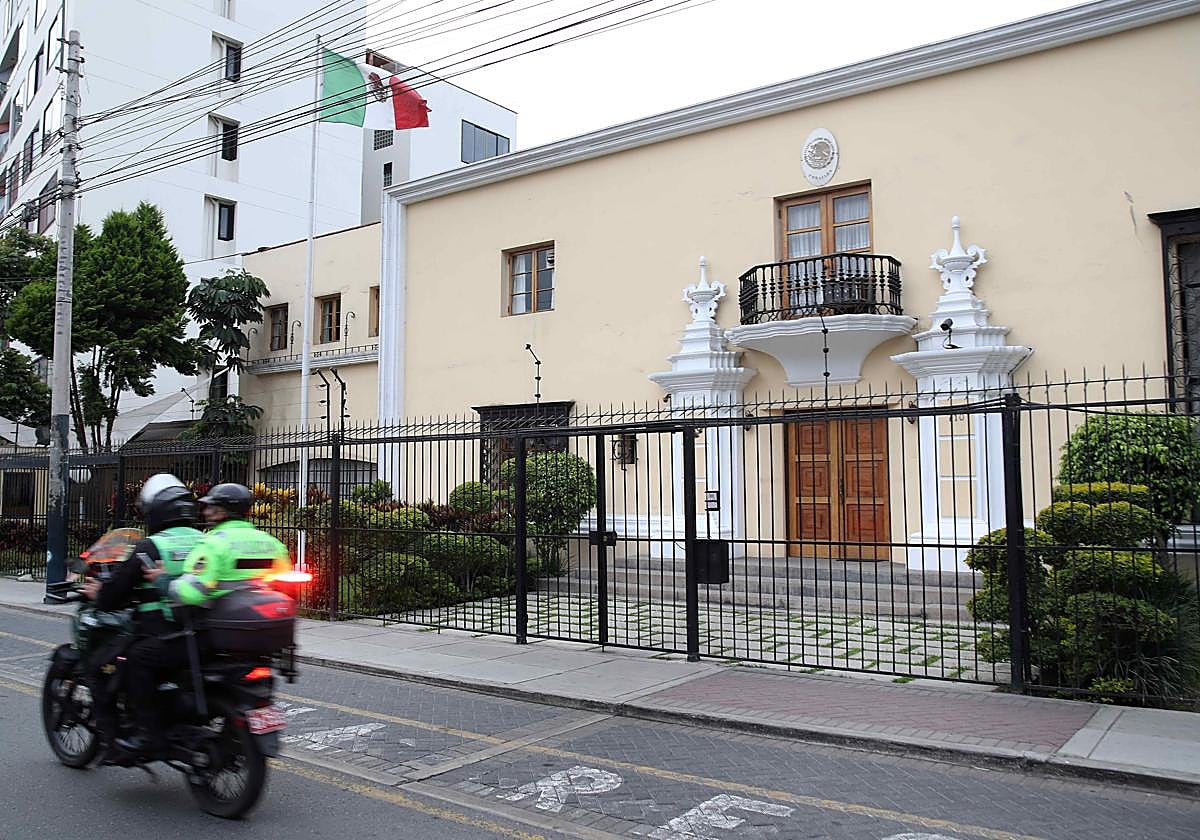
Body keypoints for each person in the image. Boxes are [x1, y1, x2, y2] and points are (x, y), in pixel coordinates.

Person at [85, 474, 204, 759]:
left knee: (114, 664)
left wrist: (99, 594)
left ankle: (146, 737)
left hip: (164, 635)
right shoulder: (206, 541)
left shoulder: (151, 547)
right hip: (202, 635)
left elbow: (117, 591)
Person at [170, 483, 291, 608]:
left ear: (222, 512)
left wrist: (165, 583)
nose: (205, 512)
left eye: (210, 507)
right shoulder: (272, 543)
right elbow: (285, 585)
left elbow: (191, 594)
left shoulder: (212, 544)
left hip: (220, 622)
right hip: (270, 617)